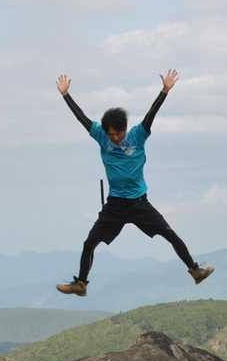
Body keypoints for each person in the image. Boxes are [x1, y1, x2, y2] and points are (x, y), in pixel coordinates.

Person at [54, 70, 214, 296]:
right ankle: (81, 284)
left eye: (118, 133)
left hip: (139, 203)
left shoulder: (138, 135)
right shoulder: (101, 135)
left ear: (125, 129)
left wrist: (164, 91)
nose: (115, 138)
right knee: (90, 243)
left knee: (169, 234)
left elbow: (151, 113)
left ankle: (195, 271)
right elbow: (82, 118)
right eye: (111, 134)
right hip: (115, 204)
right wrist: (65, 95)